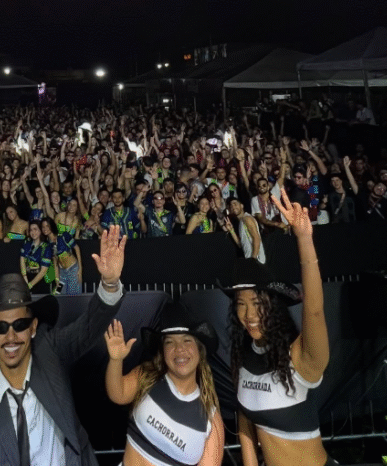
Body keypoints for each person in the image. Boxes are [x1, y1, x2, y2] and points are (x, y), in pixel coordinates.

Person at [0, 225, 127, 466]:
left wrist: (110, 283)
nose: (11, 336)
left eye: (20, 324)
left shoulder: (50, 351)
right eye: (1, 327)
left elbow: (89, 326)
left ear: (33, 328)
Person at [223, 189, 331, 466]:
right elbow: (246, 419)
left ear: (275, 306)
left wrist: (304, 240)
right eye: (241, 303)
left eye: (258, 303)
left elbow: (314, 310)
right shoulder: (244, 354)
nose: (249, 314)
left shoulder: (302, 358)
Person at [104, 302, 224, 466]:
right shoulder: (147, 376)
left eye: (187, 340)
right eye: (170, 342)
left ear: (199, 350)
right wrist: (115, 360)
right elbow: (117, 394)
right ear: (162, 351)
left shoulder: (211, 419)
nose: (179, 349)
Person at [222, 197, 266, 264]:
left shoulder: (247, 218)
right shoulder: (241, 222)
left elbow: (256, 238)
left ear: (242, 206)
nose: (233, 207)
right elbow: (240, 245)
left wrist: (253, 259)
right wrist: (231, 230)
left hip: (257, 261)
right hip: (250, 260)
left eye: (235, 204)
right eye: (231, 206)